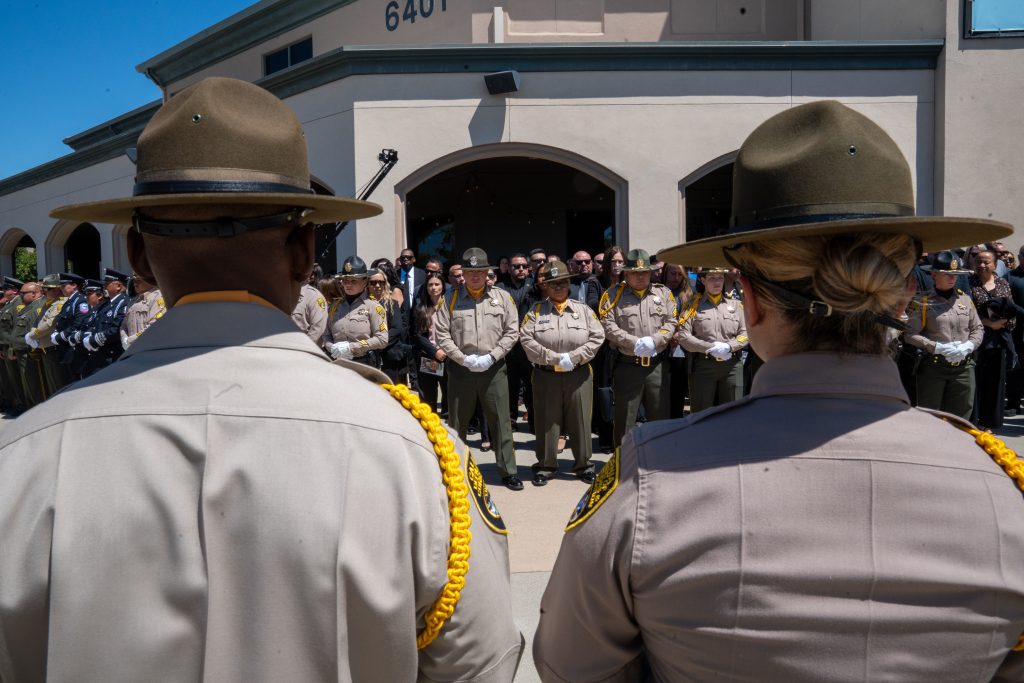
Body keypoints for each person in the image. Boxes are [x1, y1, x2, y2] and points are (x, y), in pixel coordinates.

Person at [0, 77, 523, 682]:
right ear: (305, 253)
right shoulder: (416, 455)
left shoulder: (23, 455)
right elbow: (479, 666)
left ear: (139, 257)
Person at [534, 100, 1023, 682]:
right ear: (899, 299)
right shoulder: (1001, 489)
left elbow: (571, 667)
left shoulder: (652, 479)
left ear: (752, 300)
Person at [435, 247, 522, 490]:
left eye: (480, 271)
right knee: (457, 423)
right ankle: (455, 471)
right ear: (462, 273)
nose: (475, 276)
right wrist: (462, 358)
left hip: (493, 369)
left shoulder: (502, 298)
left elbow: (512, 331)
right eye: (470, 271)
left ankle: (508, 471)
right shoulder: (450, 299)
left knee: (501, 422)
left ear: (488, 273)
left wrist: (492, 356)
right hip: (461, 370)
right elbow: (442, 333)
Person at [519, 260, 605, 486]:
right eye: (553, 283)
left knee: (580, 420)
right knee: (548, 421)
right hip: (546, 375)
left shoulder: (584, 311)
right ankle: (546, 465)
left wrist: (574, 357)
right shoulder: (535, 312)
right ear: (545, 286)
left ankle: (584, 465)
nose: (558, 287)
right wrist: (554, 358)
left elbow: (598, 337)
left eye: (563, 282)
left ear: (569, 284)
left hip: (578, 374)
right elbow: (526, 339)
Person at [598, 249, 678, 448]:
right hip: (627, 366)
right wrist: (633, 342)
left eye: (644, 272)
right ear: (626, 273)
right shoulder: (612, 295)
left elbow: (672, 321)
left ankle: (659, 462)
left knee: (660, 419)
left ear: (651, 272)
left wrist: (655, 340)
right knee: (624, 420)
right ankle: (623, 466)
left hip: (656, 366)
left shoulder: (664, 293)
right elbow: (607, 325)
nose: (640, 276)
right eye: (635, 272)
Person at [904, 251, 983, 420]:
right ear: (934, 275)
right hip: (934, 368)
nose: (952, 278)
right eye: (947, 274)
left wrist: (968, 345)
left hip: (963, 367)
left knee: (961, 418)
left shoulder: (965, 299)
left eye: (955, 274)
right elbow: (910, 334)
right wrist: (936, 347)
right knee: (930, 417)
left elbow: (978, 328)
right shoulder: (923, 301)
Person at [678, 267, 750, 413]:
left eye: (720, 278)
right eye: (712, 278)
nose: (717, 282)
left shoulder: (735, 305)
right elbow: (683, 335)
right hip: (704, 365)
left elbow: (746, 332)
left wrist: (729, 347)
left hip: (732, 365)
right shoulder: (692, 306)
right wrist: (709, 347)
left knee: (733, 413)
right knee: (701, 413)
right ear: (703, 280)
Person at [970, 249, 1021, 430]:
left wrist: (1004, 322)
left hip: (999, 340)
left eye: (986, 262)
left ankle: (989, 422)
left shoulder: (1002, 284)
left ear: (994, 264)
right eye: (979, 261)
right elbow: (967, 311)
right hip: (976, 340)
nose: (982, 265)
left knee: (995, 382)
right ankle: (974, 421)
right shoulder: (969, 283)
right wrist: (987, 323)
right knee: (976, 382)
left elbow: (1011, 307)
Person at [323, 256, 389, 369]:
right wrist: (331, 347)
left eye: (354, 281)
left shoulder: (373, 307)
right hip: (337, 363)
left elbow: (382, 339)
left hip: (363, 364)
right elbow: (327, 334)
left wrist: (352, 347)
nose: (348, 284)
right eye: (345, 280)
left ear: (364, 282)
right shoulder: (334, 306)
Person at [498, 253, 538, 432]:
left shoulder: (535, 287)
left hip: (529, 346)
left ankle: (534, 422)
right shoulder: (500, 287)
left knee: (531, 386)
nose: (520, 269)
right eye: (516, 266)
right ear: (509, 268)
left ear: (528, 268)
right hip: (508, 347)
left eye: (523, 266)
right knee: (510, 387)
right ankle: (511, 422)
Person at [24, 274, 67, 398]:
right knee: (51, 387)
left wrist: (32, 335)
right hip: (45, 349)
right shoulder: (48, 303)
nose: (43, 292)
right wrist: (31, 335)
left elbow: (49, 324)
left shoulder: (60, 303)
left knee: (58, 386)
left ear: (56, 290)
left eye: (46, 289)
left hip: (54, 349)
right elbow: (38, 321)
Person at [411, 271, 448, 413]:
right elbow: (417, 335)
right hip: (429, 356)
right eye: (430, 285)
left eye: (437, 284)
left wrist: (445, 351)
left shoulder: (450, 305)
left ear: (443, 286)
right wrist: (435, 352)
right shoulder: (421, 308)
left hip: (449, 356)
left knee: (449, 394)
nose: (433, 287)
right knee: (429, 396)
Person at [82, 268, 131, 374]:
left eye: (107, 283)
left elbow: (117, 328)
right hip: (100, 355)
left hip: (113, 355)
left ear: (118, 286)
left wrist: (94, 340)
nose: (104, 286)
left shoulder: (123, 302)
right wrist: (88, 336)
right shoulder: (107, 304)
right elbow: (95, 323)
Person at [368, 266, 409, 383]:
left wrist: (377, 342)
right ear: (367, 284)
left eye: (381, 282)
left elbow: (397, 329)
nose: (377, 286)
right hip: (367, 354)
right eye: (373, 282)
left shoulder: (391, 303)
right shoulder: (362, 303)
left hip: (389, 353)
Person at [10, 280, 45, 408]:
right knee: (28, 386)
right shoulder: (29, 307)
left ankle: (36, 411)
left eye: (23, 293)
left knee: (34, 386)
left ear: (34, 294)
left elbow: (35, 333)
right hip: (22, 352)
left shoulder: (37, 309)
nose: (20, 296)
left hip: (29, 353)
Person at [120, 273, 166, 350]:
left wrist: (130, 341)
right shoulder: (132, 301)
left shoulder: (159, 297)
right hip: (131, 350)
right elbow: (124, 325)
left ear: (150, 279)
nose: (134, 282)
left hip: (149, 349)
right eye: (133, 279)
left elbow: (155, 325)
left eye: (137, 278)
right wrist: (124, 338)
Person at [290, 272, 328, 345]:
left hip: (302, 350)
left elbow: (318, 329)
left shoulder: (314, 296)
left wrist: (304, 349)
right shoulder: (284, 295)